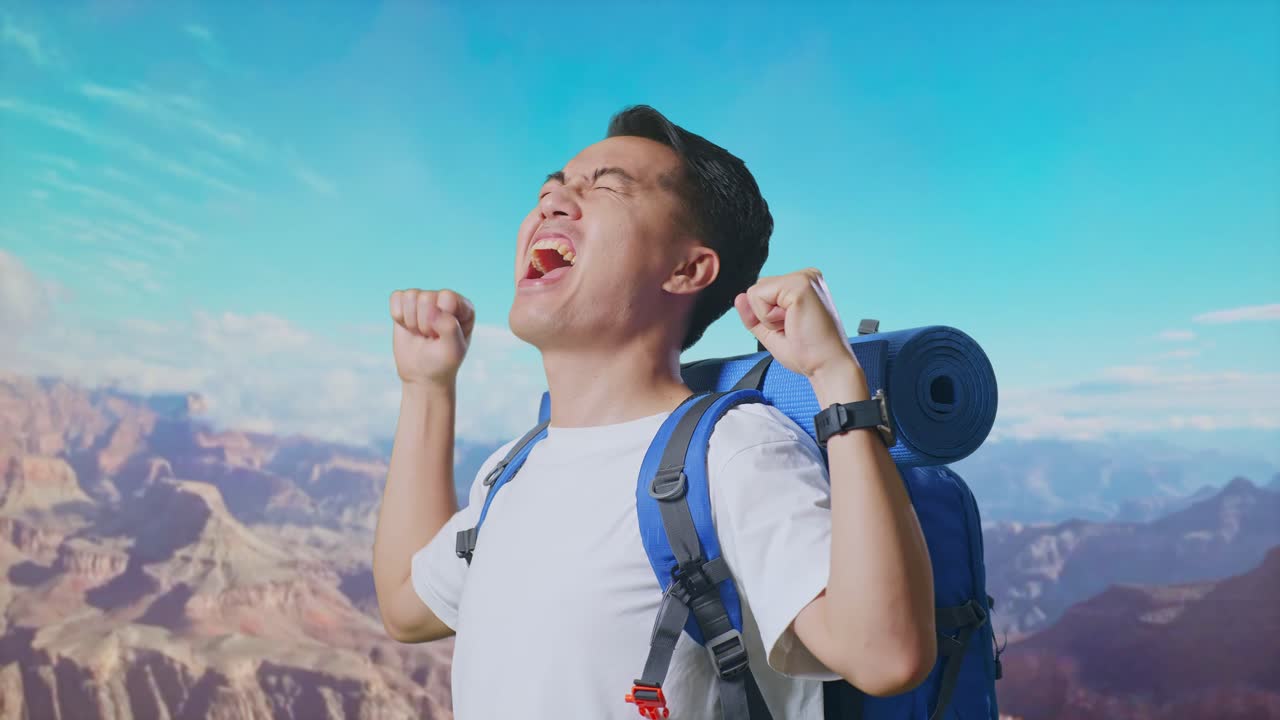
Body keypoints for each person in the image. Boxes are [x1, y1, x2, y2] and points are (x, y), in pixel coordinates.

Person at [372, 105, 936, 719]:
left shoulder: (733, 451)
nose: (552, 202)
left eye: (606, 187)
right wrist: (427, 386)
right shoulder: (513, 467)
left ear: (687, 269)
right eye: (550, 189)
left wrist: (835, 377)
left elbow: (885, 657)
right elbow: (406, 608)